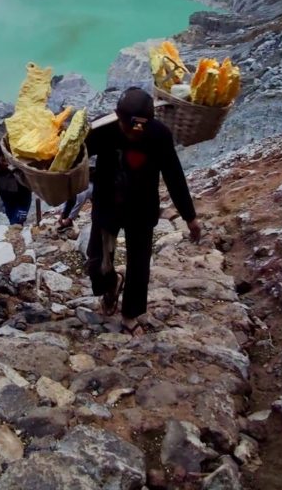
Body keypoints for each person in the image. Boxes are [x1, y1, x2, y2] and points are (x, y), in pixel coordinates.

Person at [84, 87, 202, 334]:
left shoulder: (159, 135)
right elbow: (74, 155)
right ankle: (111, 283)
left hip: (141, 209)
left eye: (142, 128)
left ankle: (130, 314)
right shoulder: (101, 131)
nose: (136, 134)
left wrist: (189, 216)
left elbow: (174, 175)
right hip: (108, 206)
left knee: (139, 266)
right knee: (97, 262)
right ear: (118, 116)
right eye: (130, 128)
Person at [0, 148, 33, 225]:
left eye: (7, 160)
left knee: (16, 223)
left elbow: (26, 188)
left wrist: (24, 208)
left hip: (22, 202)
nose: (6, 164)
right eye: (3, 160)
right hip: (8, 204)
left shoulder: (17, 167)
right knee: (14, 225)